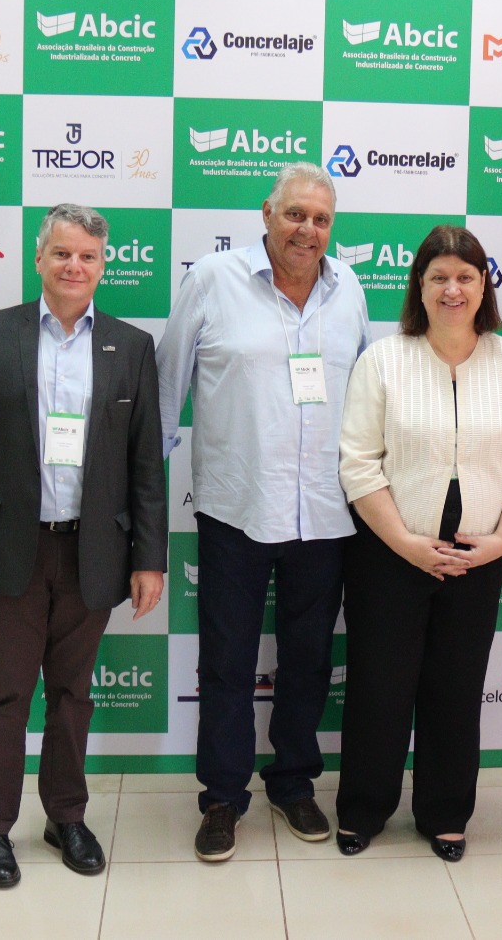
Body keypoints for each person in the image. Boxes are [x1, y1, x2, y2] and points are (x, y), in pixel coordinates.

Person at [0, 203, 167, 887]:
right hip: (12, 547)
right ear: (38, 259)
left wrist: (149, 559)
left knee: (73, 695)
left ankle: (66, 816)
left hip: (92, 551)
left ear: (103, 265)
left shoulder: (131, 346)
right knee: (7, 693)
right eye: (62, 253)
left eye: (88, 256)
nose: (75, 266)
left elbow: (145, 465)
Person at [157, 162, 371, 862]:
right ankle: (222, 797)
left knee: (308, 661)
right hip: (236, 507)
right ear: (267, 213)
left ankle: (293, 782)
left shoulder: (349, 290)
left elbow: (368, 396)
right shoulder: (212, 279)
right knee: (226, 662)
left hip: (325, 514)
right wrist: (145, 491)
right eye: (295, 214)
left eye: (321, 219)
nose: (308, 229)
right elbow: (166, 388)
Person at [334, 225, 502, 861]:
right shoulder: (383, 360)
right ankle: (364, 808)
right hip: (389, 549)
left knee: (456, 688)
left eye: (465, 277)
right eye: (439, 278)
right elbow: (358, 462)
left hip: (479, 553)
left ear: (484, 286)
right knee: (379, 685)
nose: (452, 289)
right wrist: (405, 542)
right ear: (419, 287)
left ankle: (446, 812)